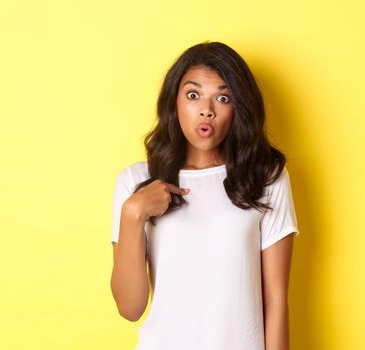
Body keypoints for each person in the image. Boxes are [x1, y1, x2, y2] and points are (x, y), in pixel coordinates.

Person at [110, 41, 300, 350]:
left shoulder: (265, 177)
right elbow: (129, 309)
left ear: (238, 108)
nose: (206, 110)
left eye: (222, 98)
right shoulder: (135, 181)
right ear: (175, 101)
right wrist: (133, 213)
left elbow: (276, 301)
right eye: (193, 94)